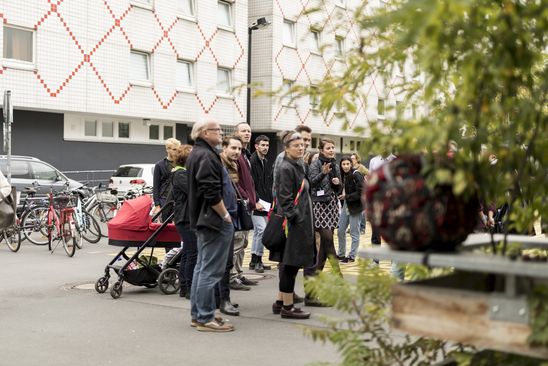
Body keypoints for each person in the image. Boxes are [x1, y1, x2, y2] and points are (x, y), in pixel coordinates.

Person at [186, 120, 235, 332]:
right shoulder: (206, 155)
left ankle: (199, 315)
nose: (221, 133)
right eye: (218, 130)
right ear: (206, 133)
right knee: (210, 271)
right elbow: (210, 190)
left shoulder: (198, 153)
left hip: (204, 220)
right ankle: (205, 318)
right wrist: (224, 214)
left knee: (202, 268)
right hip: (213, 220)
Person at [271, 131, 314, 319]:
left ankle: (280, 301)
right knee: (291, 265)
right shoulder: (286, 167)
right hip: (295, 224)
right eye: (296, 145)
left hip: (301, 222)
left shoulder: (298, 165)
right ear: (286, 148)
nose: (301, 148)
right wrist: (296, 218)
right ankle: (288, 308)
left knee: (291, 264)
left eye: (303, 145)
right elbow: (285, 198)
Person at [217, 135, 245, 316]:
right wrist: (225, 214)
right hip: (221, 219)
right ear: (224, 147)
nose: (237, 152)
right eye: (233, 148)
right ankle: (221, 301)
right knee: (223, 262)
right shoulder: (220, 165)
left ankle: (222, 299)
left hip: (230, 216)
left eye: (239, 149)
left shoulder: (234, 166)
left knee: (226, 262)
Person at [308, 138, 343, 282]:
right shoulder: (315, 164)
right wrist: (323, 173)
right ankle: (338, 274)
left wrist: (337, 183)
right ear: (321, 150)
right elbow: (311, 183)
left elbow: (339, 188)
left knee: (325, 243)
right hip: (319, 205)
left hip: (332, 205)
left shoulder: (335, 164)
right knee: (328, 240)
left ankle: (316, 274)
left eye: (333, 147)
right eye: (328, 148)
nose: (331, 150)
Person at [229, 122, 259, 290]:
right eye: (243, 131)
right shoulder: (235, 155)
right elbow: (234, 181)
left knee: (244, 242)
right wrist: (246, 197)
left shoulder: (245, 154)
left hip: (247, 204)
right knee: (238, 241)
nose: (247, 133)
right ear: (236, 133)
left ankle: (239, 273)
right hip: (240, 204)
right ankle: (232, 276)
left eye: (249, 130)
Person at [167, 144, 195, 299]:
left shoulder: (184, 174)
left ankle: (184, 287)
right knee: (192, 253)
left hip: (186, 218)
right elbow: (194, 192)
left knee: (187, 253)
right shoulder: (181, 175)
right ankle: (188, 287)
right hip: (186, 219)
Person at [249, 135, 273, 273]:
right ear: (256, 146)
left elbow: (267, 184)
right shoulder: (252, 161)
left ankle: (255, 260)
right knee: (262, 230)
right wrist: (256, 200)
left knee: (259, 232)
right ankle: (256, 260)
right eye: (262, 145)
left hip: (266, 202)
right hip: (257, 202)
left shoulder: (265, 161)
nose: (265, 148)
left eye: (267, 145)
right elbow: (251, 184)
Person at [337, 156, 364, 262]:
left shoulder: (356, 174)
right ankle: (341, 254)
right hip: (346, 206)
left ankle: (352, 256)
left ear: (351, 164)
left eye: (348, 164)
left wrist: (346, 196)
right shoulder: (342, 175)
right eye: (343, 164)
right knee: (340, 231)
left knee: (354, 232)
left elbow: (361, 191)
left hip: (356, 207)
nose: (345, 166)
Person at [152, 137, 181, 220]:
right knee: (165, 227)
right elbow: (156, 186)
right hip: (164, 200)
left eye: (178, 149)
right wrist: (157, 205)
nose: (177, 152)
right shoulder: (159, 165)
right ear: (168, 149)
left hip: (179, 200)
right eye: (174, 149)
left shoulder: (181, 163)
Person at [350, 152, 368, 234]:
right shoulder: (350, 168)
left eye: (353, 158)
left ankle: (362, 228)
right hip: (353, 191)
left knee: (362, 210)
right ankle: (353, 227)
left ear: (357, 159)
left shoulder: (361, 167)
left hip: (362, 190)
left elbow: (369, 174)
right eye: (351, 158)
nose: (351, 160)